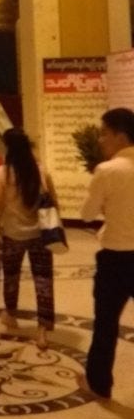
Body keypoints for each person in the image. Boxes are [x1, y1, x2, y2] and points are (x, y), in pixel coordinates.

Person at [79, 106, 134, 399]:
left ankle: (99, 383)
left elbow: (87, 214)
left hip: (116, 259)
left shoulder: (108, 170)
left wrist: (106, 207)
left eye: (104, 134)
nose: (101, 140)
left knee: (106, 324)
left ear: (120, 136)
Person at [0, 127, 56, 350]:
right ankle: (43, 331)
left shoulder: (2, 173)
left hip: (12, 234)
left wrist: (3, 213)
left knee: (11, 276)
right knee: (43, 281)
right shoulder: (40, 170)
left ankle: (11, 315)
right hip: (40, 234)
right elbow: (53, 201)